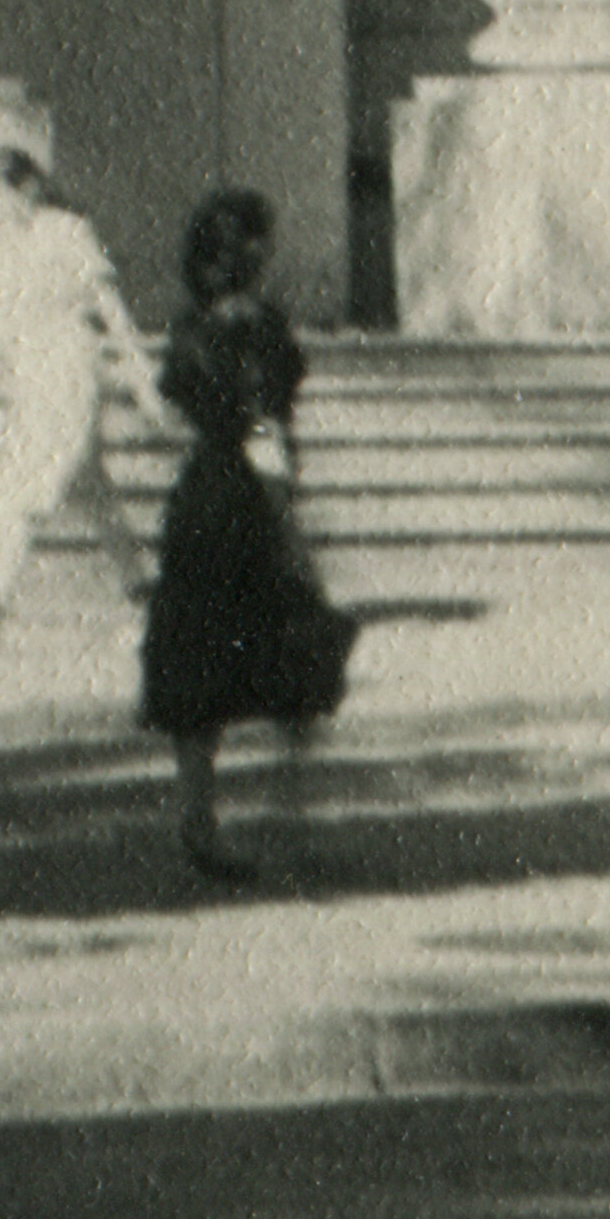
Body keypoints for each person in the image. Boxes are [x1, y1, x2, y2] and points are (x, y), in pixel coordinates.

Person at [138, 183, 357, 881]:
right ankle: (289, 816)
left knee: (195, 664)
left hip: (197, 499)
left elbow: (172, 412)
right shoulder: (258, 329)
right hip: (249, 505)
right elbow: (265, 426)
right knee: (298, 652)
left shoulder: (189, 325)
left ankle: (198, 818)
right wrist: (288, 522)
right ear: (253, 254)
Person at [0, 134, 155, 653]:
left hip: (70, 372)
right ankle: (147, 596)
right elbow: (4, 325)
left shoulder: (67, 231)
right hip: (32, 376)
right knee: (93, 492)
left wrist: (140, 373)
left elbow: (108, 306)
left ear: (28, 186)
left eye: (1, 192)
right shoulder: (8, 247)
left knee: (22, 495)